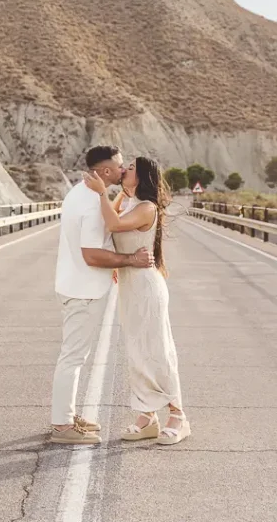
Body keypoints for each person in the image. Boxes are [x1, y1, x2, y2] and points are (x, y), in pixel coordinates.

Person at [50, 146, 154, 445]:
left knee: (74, 355)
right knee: (73, 357)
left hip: (72, 285)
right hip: (83, 291)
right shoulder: (92, 206)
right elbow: (92, 255)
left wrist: (108, 195)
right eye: (120, 167)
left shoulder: (80, 194)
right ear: (105, 172)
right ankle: (61, 425)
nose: (124, 171)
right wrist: (130, 260)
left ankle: (67, 415)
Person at [83, 156, 190, 446]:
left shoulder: (146, 207)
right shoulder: (130, 202)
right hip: (130, 286)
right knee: (137, 351)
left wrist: (102, 192)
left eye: (129, 168)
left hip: (146, 286)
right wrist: (116, 191)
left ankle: (178, 416)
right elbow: (109, 222)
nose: (123, 170)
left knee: (157, 350)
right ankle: (146, 417)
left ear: (141, 176)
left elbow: (114, 225)